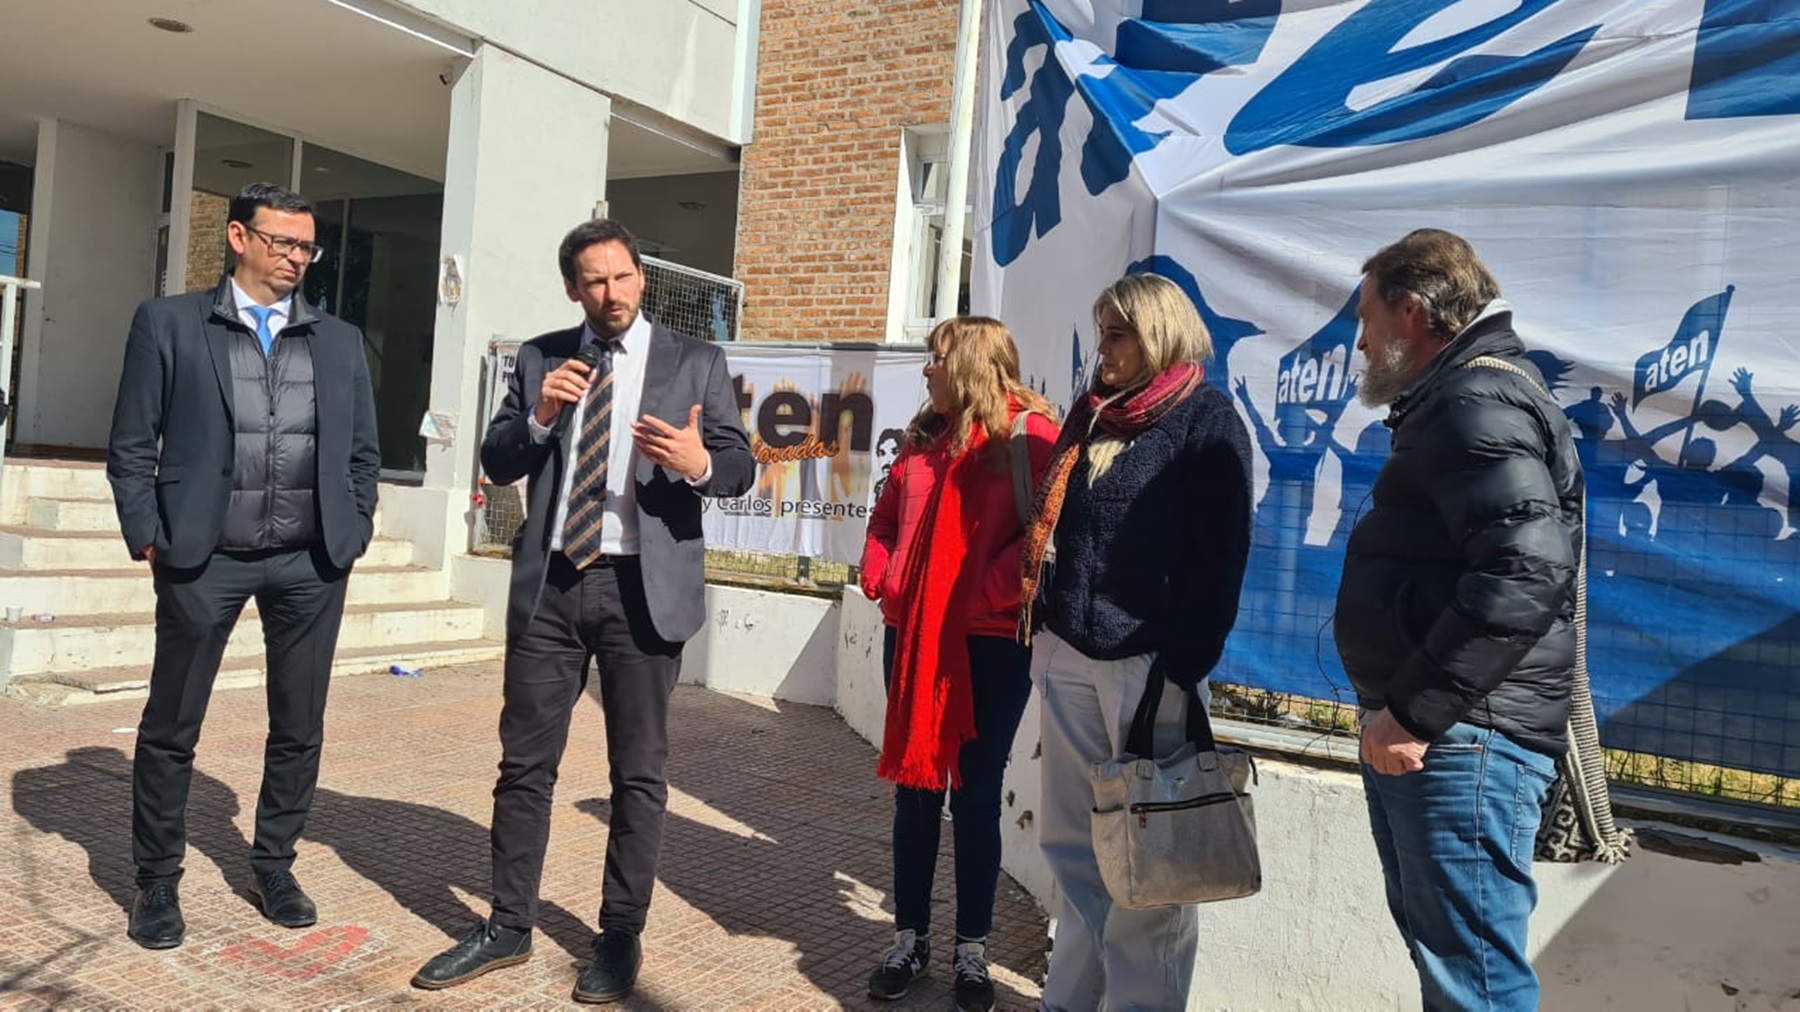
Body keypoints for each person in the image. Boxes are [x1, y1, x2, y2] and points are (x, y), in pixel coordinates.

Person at [410, 219, 753, 1003]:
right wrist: (539, 418)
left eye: (623, 277)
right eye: (595, 281)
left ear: (642, 278)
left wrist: (699, 463)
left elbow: (738, 463)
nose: (612, 293)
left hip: (642, 591)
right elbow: (499, 460)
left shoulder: (693, 360)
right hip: (554, 584)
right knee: (523, 765)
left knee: (638, 773)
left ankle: (619, 935)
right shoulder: (540, 357)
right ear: (575, 289)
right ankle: (507, 925)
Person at [106, 181, 381, 949]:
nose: (297, 258)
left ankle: (274, 863)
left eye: (307, 246)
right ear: (238, 237)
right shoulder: (168, 323)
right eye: (283, 242)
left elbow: (362, 452)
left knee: (299, 725)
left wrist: (353, 530)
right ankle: (156, 881)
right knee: (171, 727)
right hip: (203, 558)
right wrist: (149, 534)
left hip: (309, 561)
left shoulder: (338, 339)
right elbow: (132, 442)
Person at [1335, 228, 1583, 1011]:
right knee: (1456, 969)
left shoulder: (1475, 397)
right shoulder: (1468, 394)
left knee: (1473, 982)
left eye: (1367, 317)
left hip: (1460, 738)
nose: (1362, 340)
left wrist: (1414, 711)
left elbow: (1527, 567)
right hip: (1453, 733)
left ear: (1412, 311)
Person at [1017, 272, 1252, 1010]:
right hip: (1068, 654)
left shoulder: (1206, 421)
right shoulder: (1091, 415)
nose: (1104, 348)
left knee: (1149, 868)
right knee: (1075, 848)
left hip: (1149, 670)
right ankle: (1071, 1000)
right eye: (1102, 331)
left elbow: (1221, 561)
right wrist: (1047, 629)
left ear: (1158, 336)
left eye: (1118, 333)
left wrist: (1180, 672)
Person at [858, 318, 1058, 1011]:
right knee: (915, 790)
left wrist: (973, 595)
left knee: (974, 794)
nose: (926, 370)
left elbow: (1041, 540)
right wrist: (883, 577)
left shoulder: (1029, 439)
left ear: (971, 363)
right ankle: (908, 938)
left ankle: (973, 950)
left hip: (987, 646)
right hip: (911, 636)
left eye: (936, 358)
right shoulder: (922, 438)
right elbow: (883, 522)